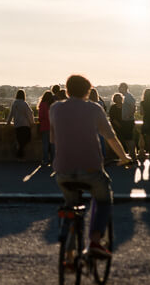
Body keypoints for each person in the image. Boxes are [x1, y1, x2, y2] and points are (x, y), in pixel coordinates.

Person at [49, 74, 132, 258]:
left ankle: (69, 253)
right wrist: (124, 157)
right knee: (103, 199)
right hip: (91, 169)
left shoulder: (55, 108)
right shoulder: (94, 109)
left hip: (62, 170)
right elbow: (111, 137)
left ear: (67, 89)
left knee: (70, 204)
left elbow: (53, 140)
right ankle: (95, 240)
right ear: (88, 91)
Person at [5, 90, 35, 160]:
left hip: (17, 125)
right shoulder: (24, 104)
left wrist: (8, 122)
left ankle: (19, 154)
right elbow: (29, 114)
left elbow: (11, 114)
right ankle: (20, 155)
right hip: (25, 125)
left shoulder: (14, 103)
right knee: (27, 139)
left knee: (20, 141)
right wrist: (32, 122)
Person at [119, 82, 138, 158]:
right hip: (127, 121)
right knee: (127, 138)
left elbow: (133, 107)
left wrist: (129, 116)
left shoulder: (128, 96)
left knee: (129, 138)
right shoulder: (126, 96)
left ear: (124, 88)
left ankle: (133, 155)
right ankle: (131, 154)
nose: (119, 89)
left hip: (128, 121)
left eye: (120, 87)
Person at [37, 91, 54, 167]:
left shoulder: (42, 104)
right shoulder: (53, 105)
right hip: (53, 127)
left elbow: (40, 117)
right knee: (53, 145)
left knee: (45, 144)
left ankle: (45, 160)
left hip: (44, 126)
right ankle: (53, 160)